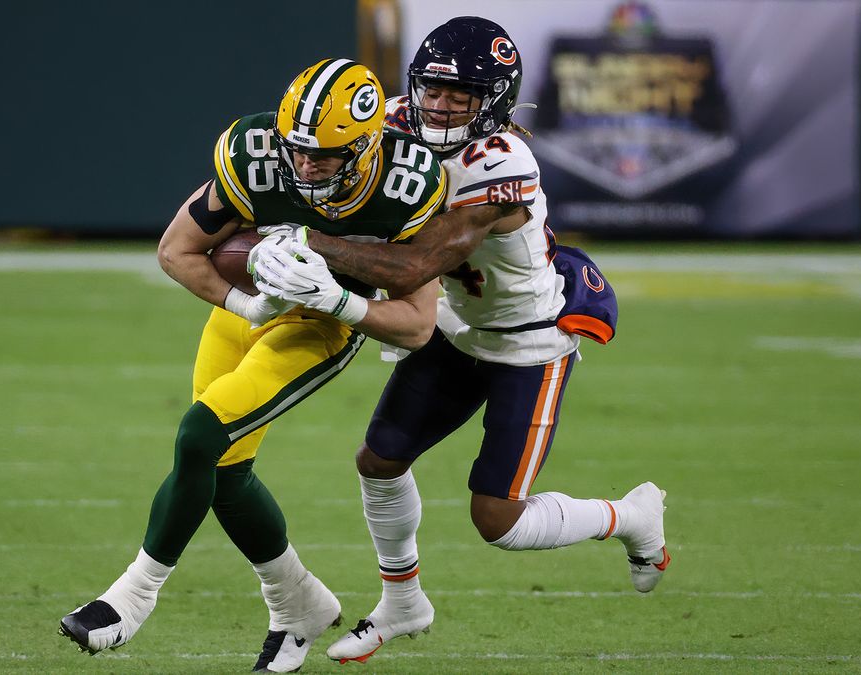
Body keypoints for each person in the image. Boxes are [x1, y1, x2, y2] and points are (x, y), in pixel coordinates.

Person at [252, 18, 670, 665]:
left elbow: (419, 263)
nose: (441, 105)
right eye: (433, 90)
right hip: (456, 325)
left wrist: (308, 247)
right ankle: (403, 601)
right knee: (379, 460)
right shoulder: (390, 122)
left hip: (527, 339)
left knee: (496, 518)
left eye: (462, 95)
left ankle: (632, 515)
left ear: (495, 102)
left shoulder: (504, 163)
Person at [57, 58, 447, 674]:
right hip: (246, 312)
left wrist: (339, 298)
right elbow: (177, 250)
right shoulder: (257, 153)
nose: (305, 164)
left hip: (323, 324)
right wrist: (246, 301)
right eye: (297, 150)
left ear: (367, 148)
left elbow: (420, 322)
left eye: (324, 155)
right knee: (226, 473)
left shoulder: (408, 185)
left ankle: (132, 596)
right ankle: (298, 604)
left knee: (200, 436)